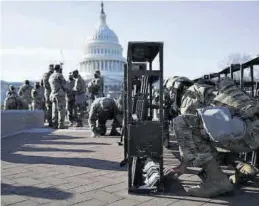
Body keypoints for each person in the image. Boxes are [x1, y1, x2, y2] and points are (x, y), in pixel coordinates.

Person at [166, 77, 259, 198]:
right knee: (208, 135)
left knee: (181, 123)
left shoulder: (190, 95)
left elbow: (187, 133)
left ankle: (216, 180)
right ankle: (241, 167)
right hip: (251, 131)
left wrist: (184, 164)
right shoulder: (211, 89)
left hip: (245, 135)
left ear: (174, 91)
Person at [49, 64, 67, 129]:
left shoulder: (51, 76)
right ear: (59, 69)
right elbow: (64, 85)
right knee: (61, 110)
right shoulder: (59, 75)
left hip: (53, 94)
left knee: (54, 110)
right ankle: (61, 125)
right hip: (59, 94)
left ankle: (54, 124)